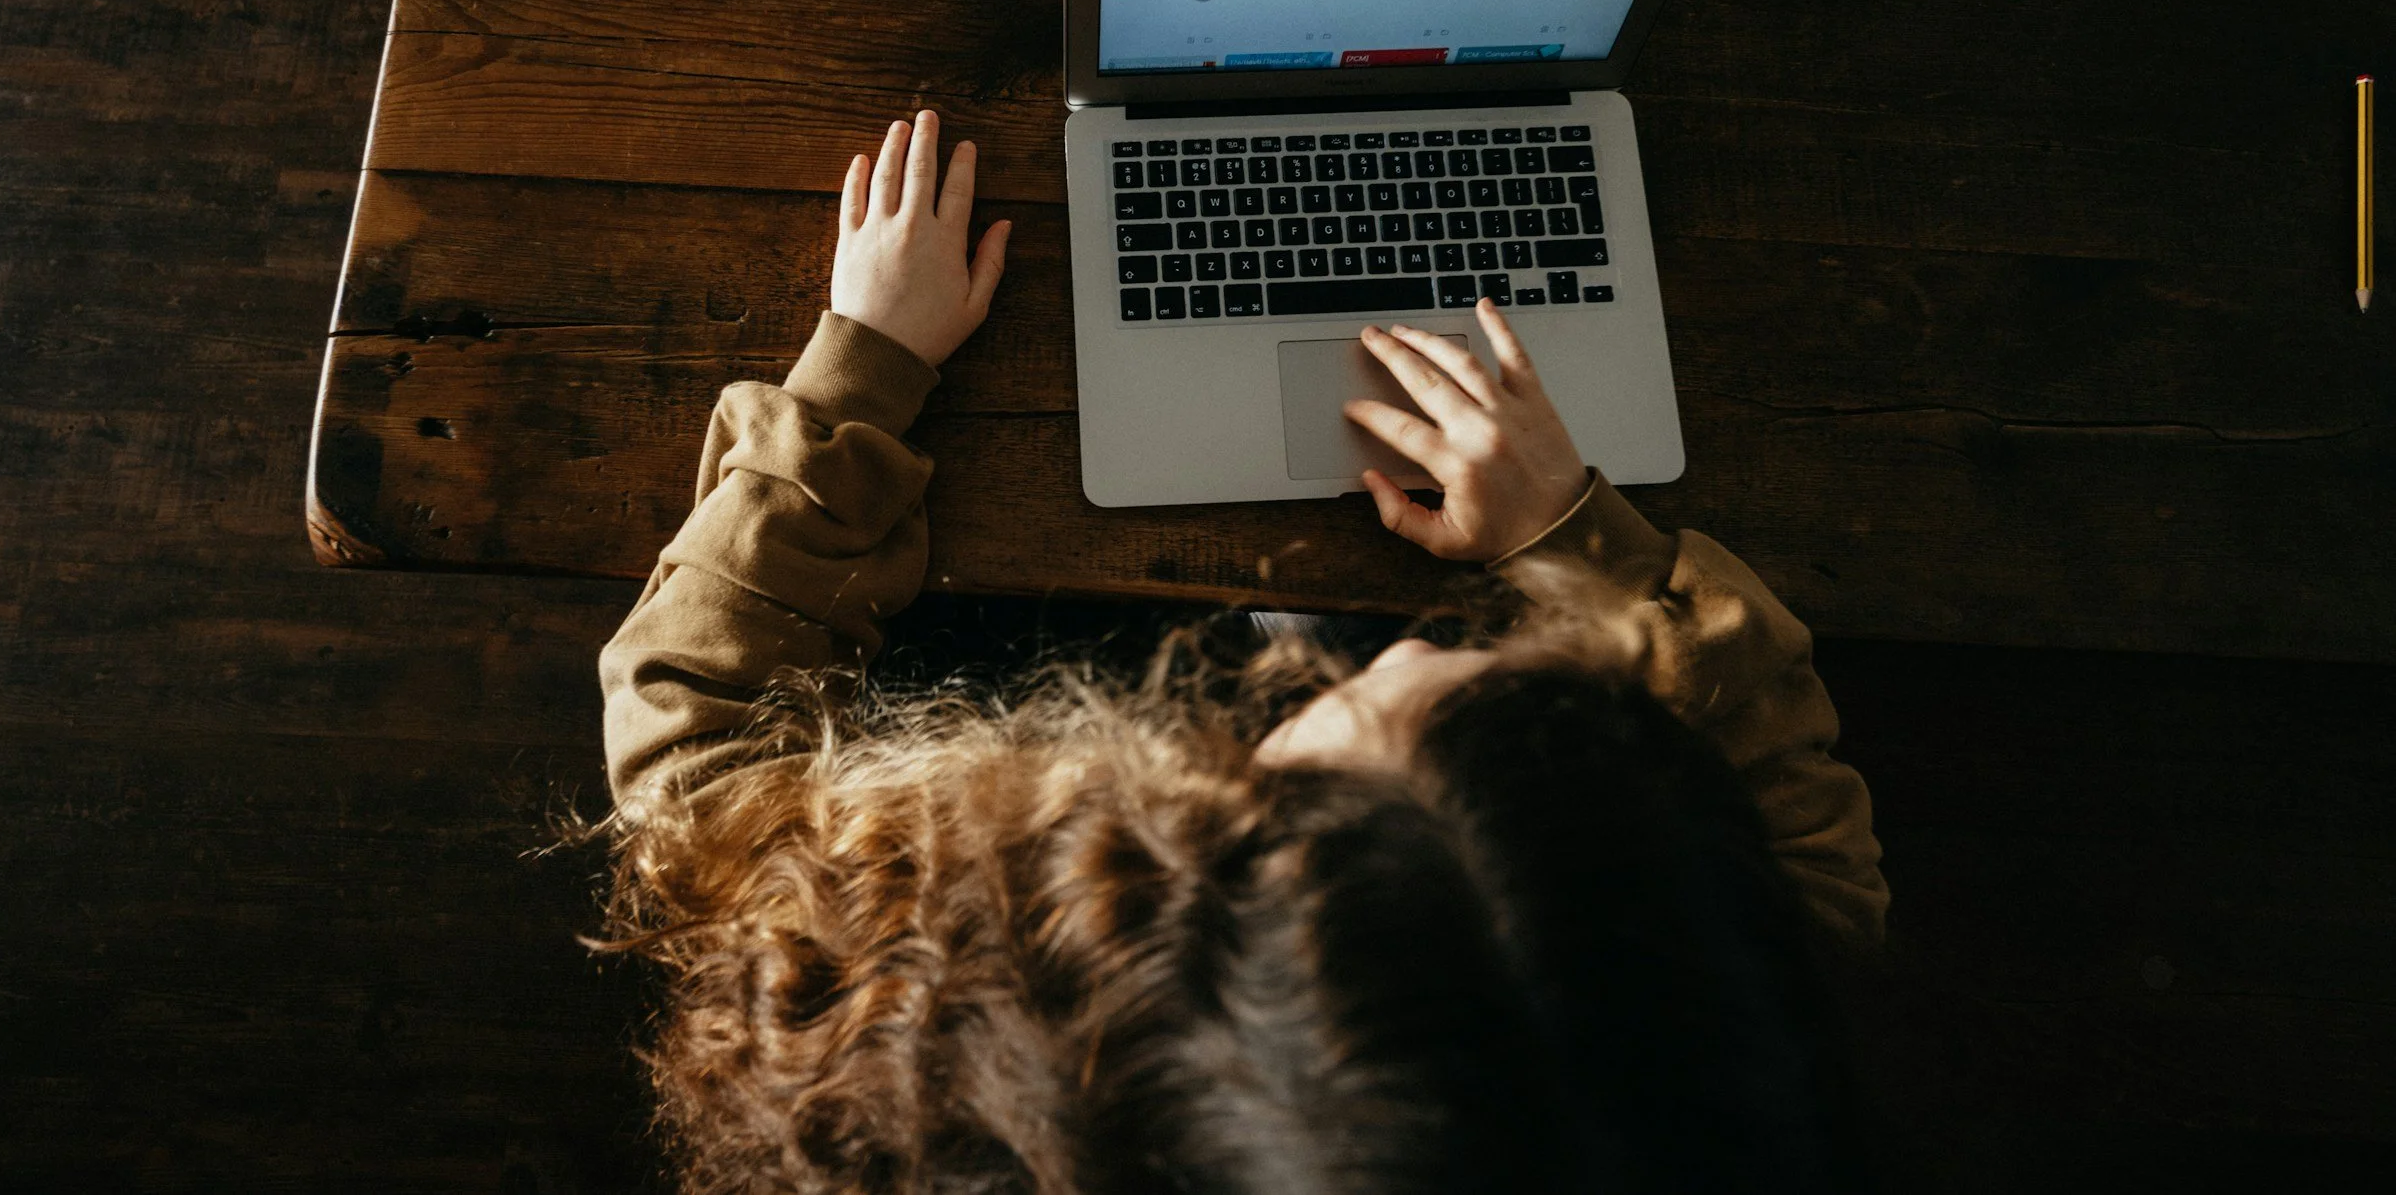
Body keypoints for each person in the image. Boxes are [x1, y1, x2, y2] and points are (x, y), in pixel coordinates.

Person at [599, 112, 1888, 1194]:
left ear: (1211, 887)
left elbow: (690, 749)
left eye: (1357, 714)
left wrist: (859, 379)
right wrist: (1571, 534)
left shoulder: (945, 1052)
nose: (1397, 657)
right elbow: (1813, 844)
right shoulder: (1746, 1018)